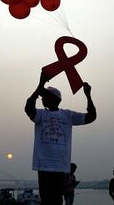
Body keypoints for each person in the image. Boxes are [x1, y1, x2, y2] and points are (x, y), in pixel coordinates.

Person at [24, 73, 96, 205]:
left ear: (54, 99)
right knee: (46, 200)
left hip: (59, 166)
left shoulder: (68, 115)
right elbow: (28, 108)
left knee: (56, 200)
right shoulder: (40, 114)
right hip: (44, 165)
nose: (42, 99)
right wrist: (40, 85)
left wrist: (88, 96)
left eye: (45, 96)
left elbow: (91, 117)